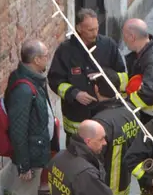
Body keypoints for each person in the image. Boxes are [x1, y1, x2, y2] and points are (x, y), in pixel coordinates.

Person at [4, 39, 54, 195]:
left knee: (31, 192)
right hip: (30, 155)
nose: (47, 59)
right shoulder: (24, 89)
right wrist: (24, 163)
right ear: (36, 60)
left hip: (38, 150)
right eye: (45, 56)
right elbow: (18, 129)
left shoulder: (32, 79)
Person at [48, 8, 125, 141]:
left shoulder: (108, 45)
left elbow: (122, 76)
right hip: (76, 118)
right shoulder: (65, 51)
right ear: (79, 28)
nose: (95, 33)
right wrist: (74, 93)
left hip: (104, 114)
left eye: (97, 28)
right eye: (90, 30)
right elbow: (55, 80)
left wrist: (105, 75)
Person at [118, 18, 153, 123]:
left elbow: (151, 92)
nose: (124, 40)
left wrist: (127, 104)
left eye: (124, 36)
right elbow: (135, 79)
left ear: (132, 37)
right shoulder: (141, 54)